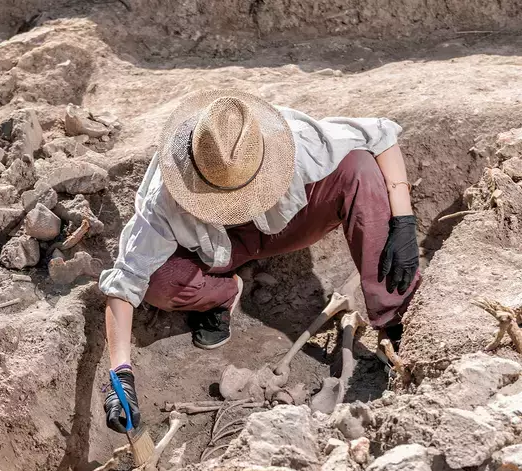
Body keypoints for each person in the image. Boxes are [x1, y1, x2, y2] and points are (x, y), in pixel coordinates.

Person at [98, 90, 420, 434]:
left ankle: (394, 323)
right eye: (223, 198)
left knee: (359, 168)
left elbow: (382, 135)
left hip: (288, 227)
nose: (237, 204)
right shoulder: (165, 193)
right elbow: (125, 280)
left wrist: (403, 220)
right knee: (158, 282)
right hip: (215, 250)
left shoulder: (294, 140)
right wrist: (121, 374)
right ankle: (222, 294)